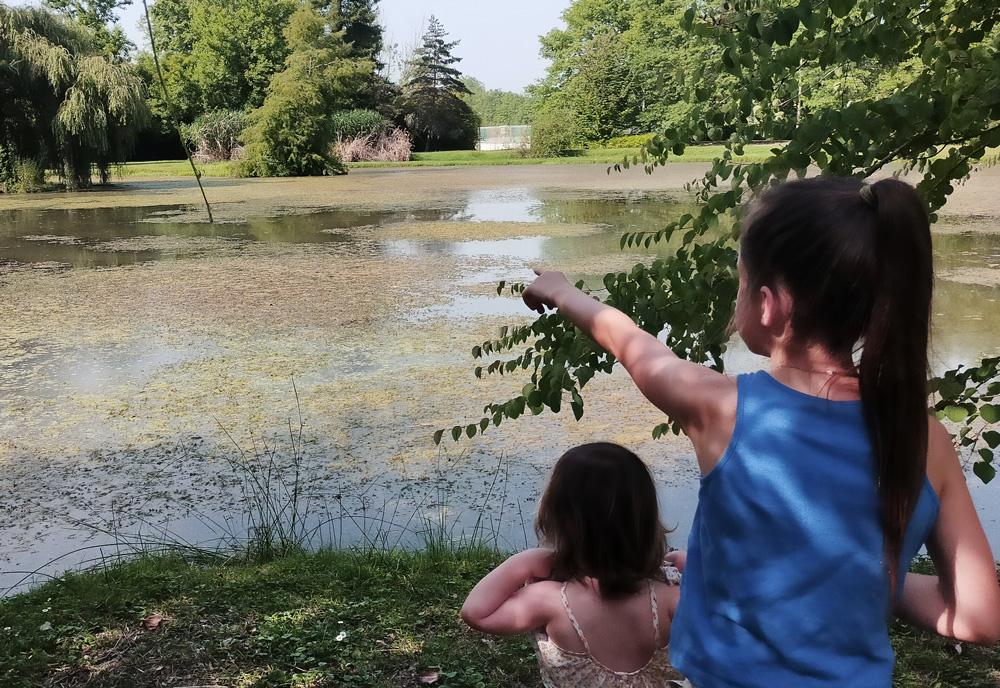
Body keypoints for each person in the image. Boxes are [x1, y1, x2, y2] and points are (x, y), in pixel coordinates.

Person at [519, 177, 1000, 688]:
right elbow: (977, 617)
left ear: (769, 305)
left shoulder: (723, 408)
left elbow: (631, 342)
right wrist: (852, 572)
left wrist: (562, 289)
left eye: (741, 282)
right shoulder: (924, 439)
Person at [461, 442, 687, 688]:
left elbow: (477, 613)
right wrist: (689, 564)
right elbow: (728, 605)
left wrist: (528, 560)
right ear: (645, 521)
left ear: (556, 517)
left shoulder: (549, 600)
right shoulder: (672, 597)